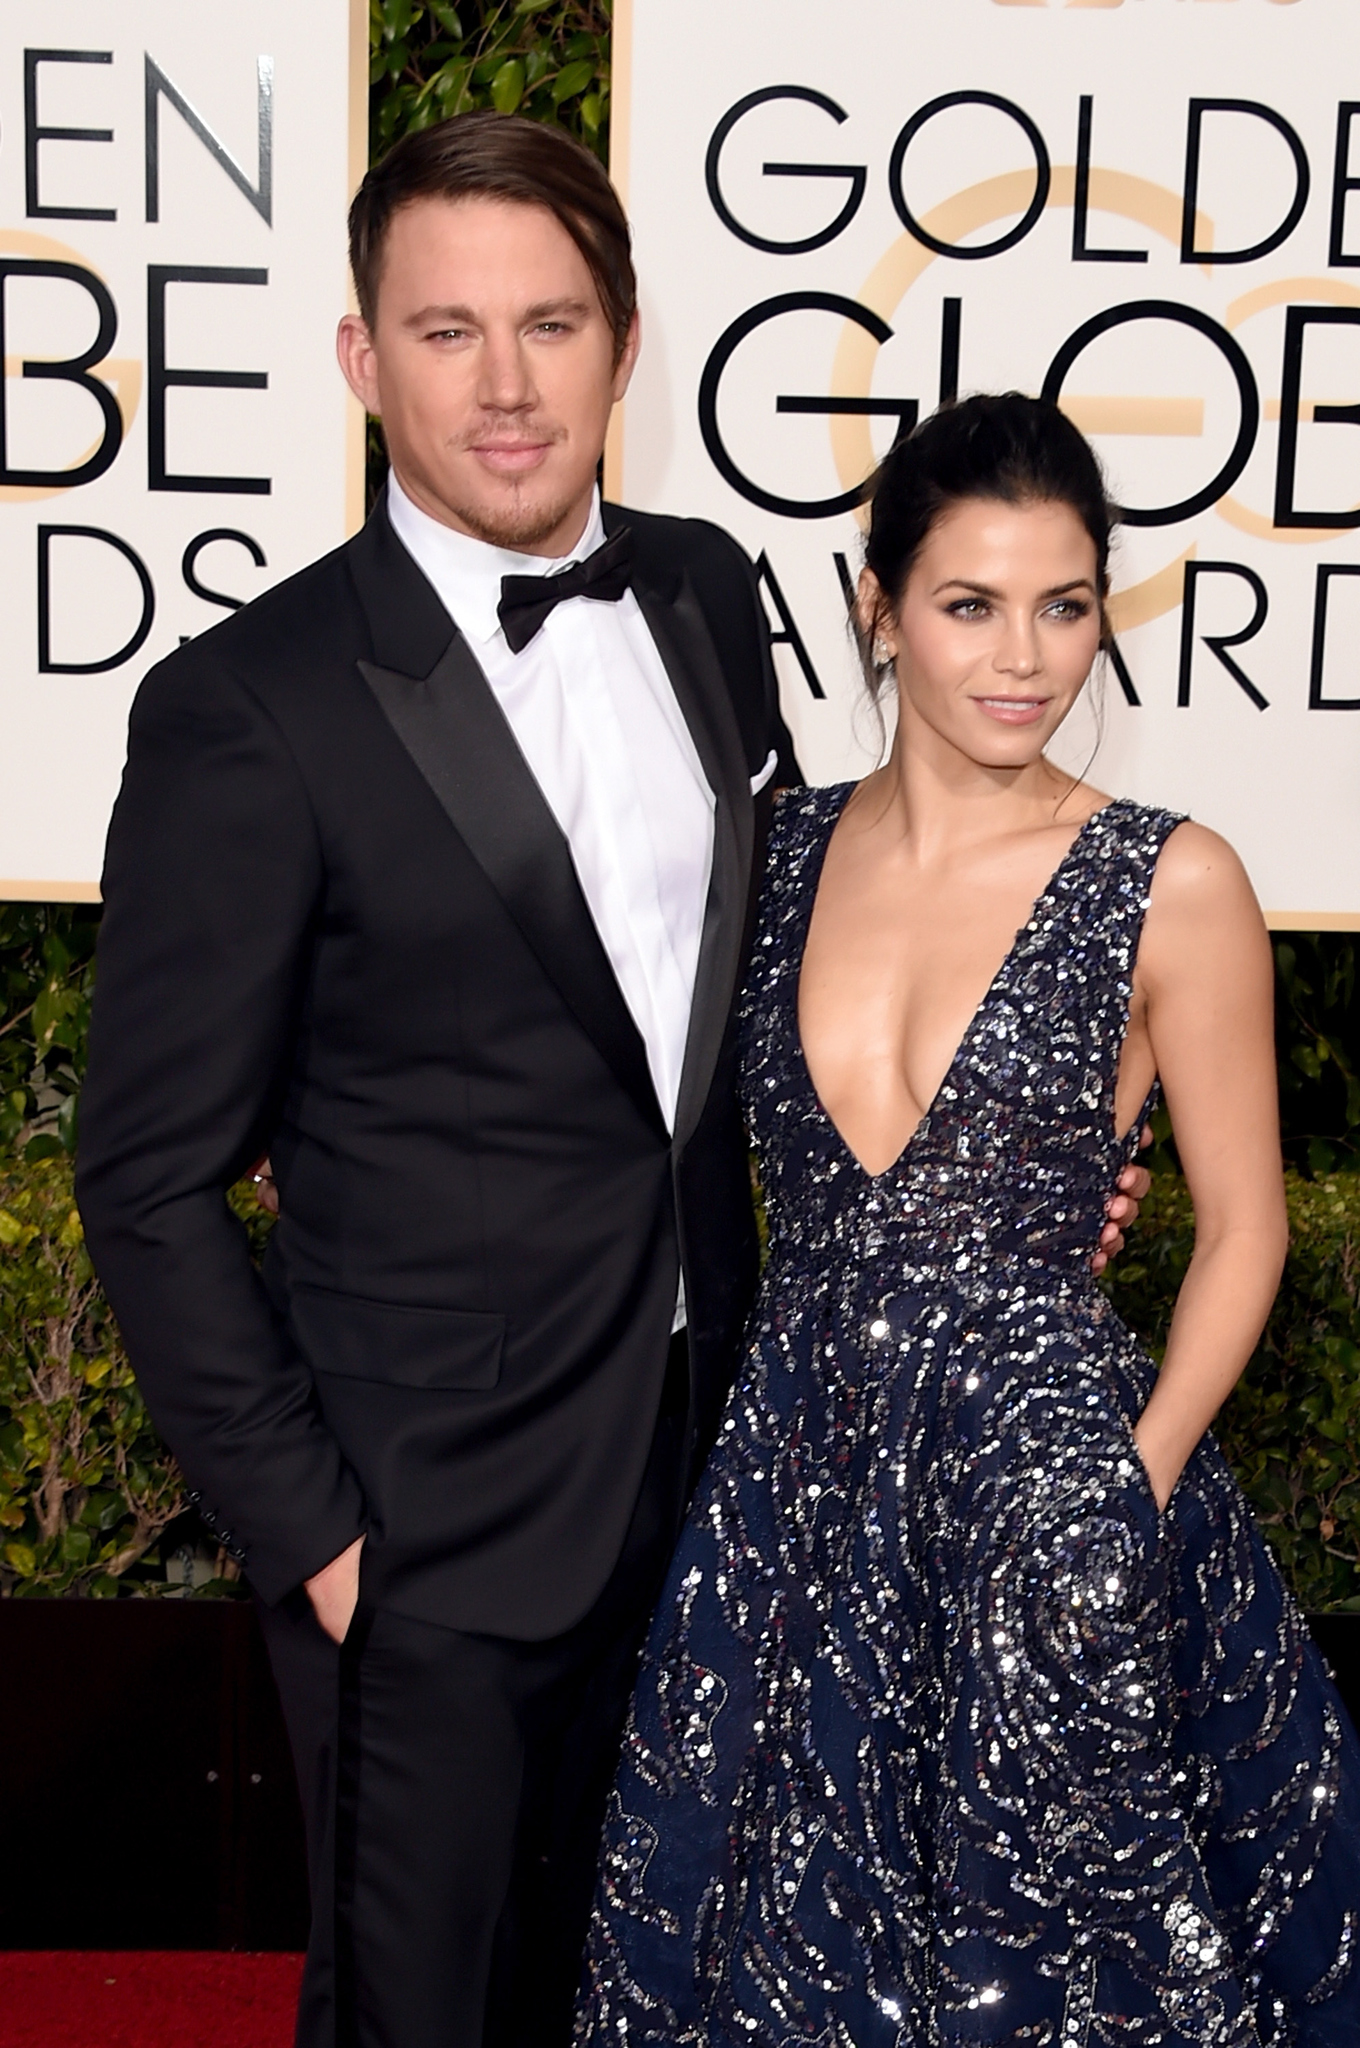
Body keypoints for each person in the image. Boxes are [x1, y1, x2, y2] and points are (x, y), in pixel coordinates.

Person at [74, 115, 1145, 2048]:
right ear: (360, 357)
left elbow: (777, 992)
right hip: (428, 1537)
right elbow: (143, 1179)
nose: (505, 387)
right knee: (424, 2013)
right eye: (448, 330)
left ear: (627, 343)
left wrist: (996, 1154)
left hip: (719, 1473)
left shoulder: (704, 596)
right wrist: (323, 1542)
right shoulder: (252, 708)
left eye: (552, 325)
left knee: (661, 1995)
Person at [576, 394, 1360, 2046]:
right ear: (877, 607)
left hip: (1052, 1492)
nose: (1027, 657)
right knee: (772, 1971)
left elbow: (1246, 1228)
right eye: (971, 604)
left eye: (1066, 605)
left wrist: (1118, 1500)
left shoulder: (1173, 876)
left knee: (1064, 1980)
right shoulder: (770, 853)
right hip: (794, 1505)